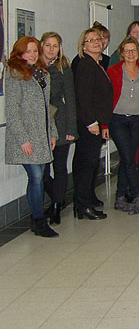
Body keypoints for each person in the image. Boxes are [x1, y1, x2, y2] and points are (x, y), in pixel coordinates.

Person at [5, 37, 58, 237]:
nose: (32, 55)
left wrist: (52, 132)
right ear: (19, 53)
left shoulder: (42, 73)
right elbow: (12, 111)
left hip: (41, 135)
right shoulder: (14, 73)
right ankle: (39, 220)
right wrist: (22, 139)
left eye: (35, 51)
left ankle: (36, 219)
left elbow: (47, 109)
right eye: (28, 51)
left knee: (37, 178)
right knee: (36, 177)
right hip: (26, 136)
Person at [73, 28, 113, 220]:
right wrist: (92, 123)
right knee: (87, 165)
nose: (96, 42)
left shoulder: (97, 64)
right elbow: (83, 98)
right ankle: (84, 206)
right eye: (91, 40)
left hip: (96, 123)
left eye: (98, 39)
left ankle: (85, 202)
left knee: (90, 164)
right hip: (89, 125)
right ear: (84, 45)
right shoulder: (86, 66)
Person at [107, 36, 139, 215]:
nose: (131, 54)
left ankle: (119, 197)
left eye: (134, 50)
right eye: (127, 51)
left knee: (128, 157)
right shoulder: (113, 71)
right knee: (129, 157)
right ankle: (138, 196)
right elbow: (106, 98)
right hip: (117, 119)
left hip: (137, 119)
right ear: (122, 53)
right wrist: (104, 124)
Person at [40, 32, 77, 226]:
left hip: (60, 122)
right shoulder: (34, 67)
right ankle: (58, 198)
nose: (51, 49)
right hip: (39, 124)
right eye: (48, 45)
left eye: (55, 46)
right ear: (42, 46)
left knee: (60, 166)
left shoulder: (64, 68)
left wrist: (72, 127)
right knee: (43, 172)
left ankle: (55, 207)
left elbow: (70, 100)